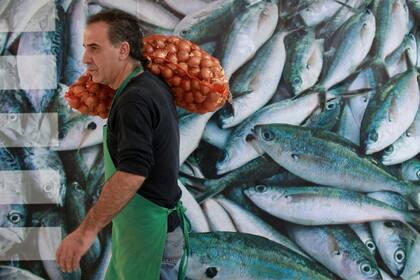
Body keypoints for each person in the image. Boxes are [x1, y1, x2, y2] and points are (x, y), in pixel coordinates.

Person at [56, 9, 189, 280]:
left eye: (94, 48)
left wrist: (85, 233)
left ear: (123, 50)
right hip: (147, 230)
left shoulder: (135, 99)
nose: (85, 59)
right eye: (85, 49)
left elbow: (132, 174)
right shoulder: (148, 86)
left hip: (150, 235)